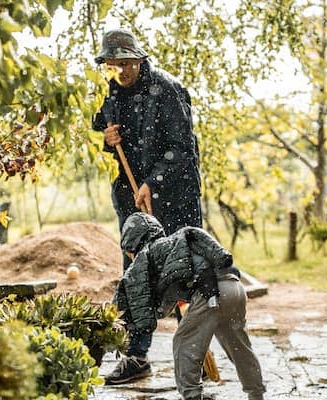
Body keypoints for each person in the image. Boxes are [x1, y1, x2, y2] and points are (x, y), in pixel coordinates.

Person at [91, 28, 203, 384]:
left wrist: (151, 183)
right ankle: (136, 357)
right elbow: (106, 125)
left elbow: (182, 151)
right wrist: (109, 139)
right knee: (137, 275)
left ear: (139, 59)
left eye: (126, 63)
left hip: (175, 198)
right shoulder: (113, 90)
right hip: (134, 199)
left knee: (182, 273)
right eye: (114, 64)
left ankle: (194, 357)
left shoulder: (167, 91)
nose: (121, 71)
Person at [112, 213, 265, 400]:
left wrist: (128, 320)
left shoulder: (146, 255)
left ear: (133, 242)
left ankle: (192, 396)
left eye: (129, 251)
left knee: (184, 342)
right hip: (234, 287)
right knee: (239, 346)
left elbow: (134, 289)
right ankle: (256, 393)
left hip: (211, 294)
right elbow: (169, 299)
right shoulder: (174, 247)